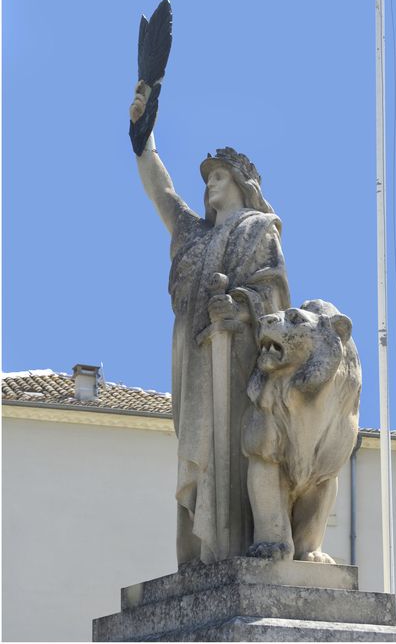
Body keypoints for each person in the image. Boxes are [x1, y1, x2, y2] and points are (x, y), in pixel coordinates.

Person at [130, 83, 290, 565]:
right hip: (191, 355)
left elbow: (274, 294)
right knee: (193, 453)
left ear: (243, 183)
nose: (210, 183)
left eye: (219, 174)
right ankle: (198, 555)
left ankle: (232, 545)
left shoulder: (258, 228)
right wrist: (143, 133)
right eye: (208, 177)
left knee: (230, 451)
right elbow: (162, 190)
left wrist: (239, 309)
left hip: (234, 354)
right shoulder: (193, 232)